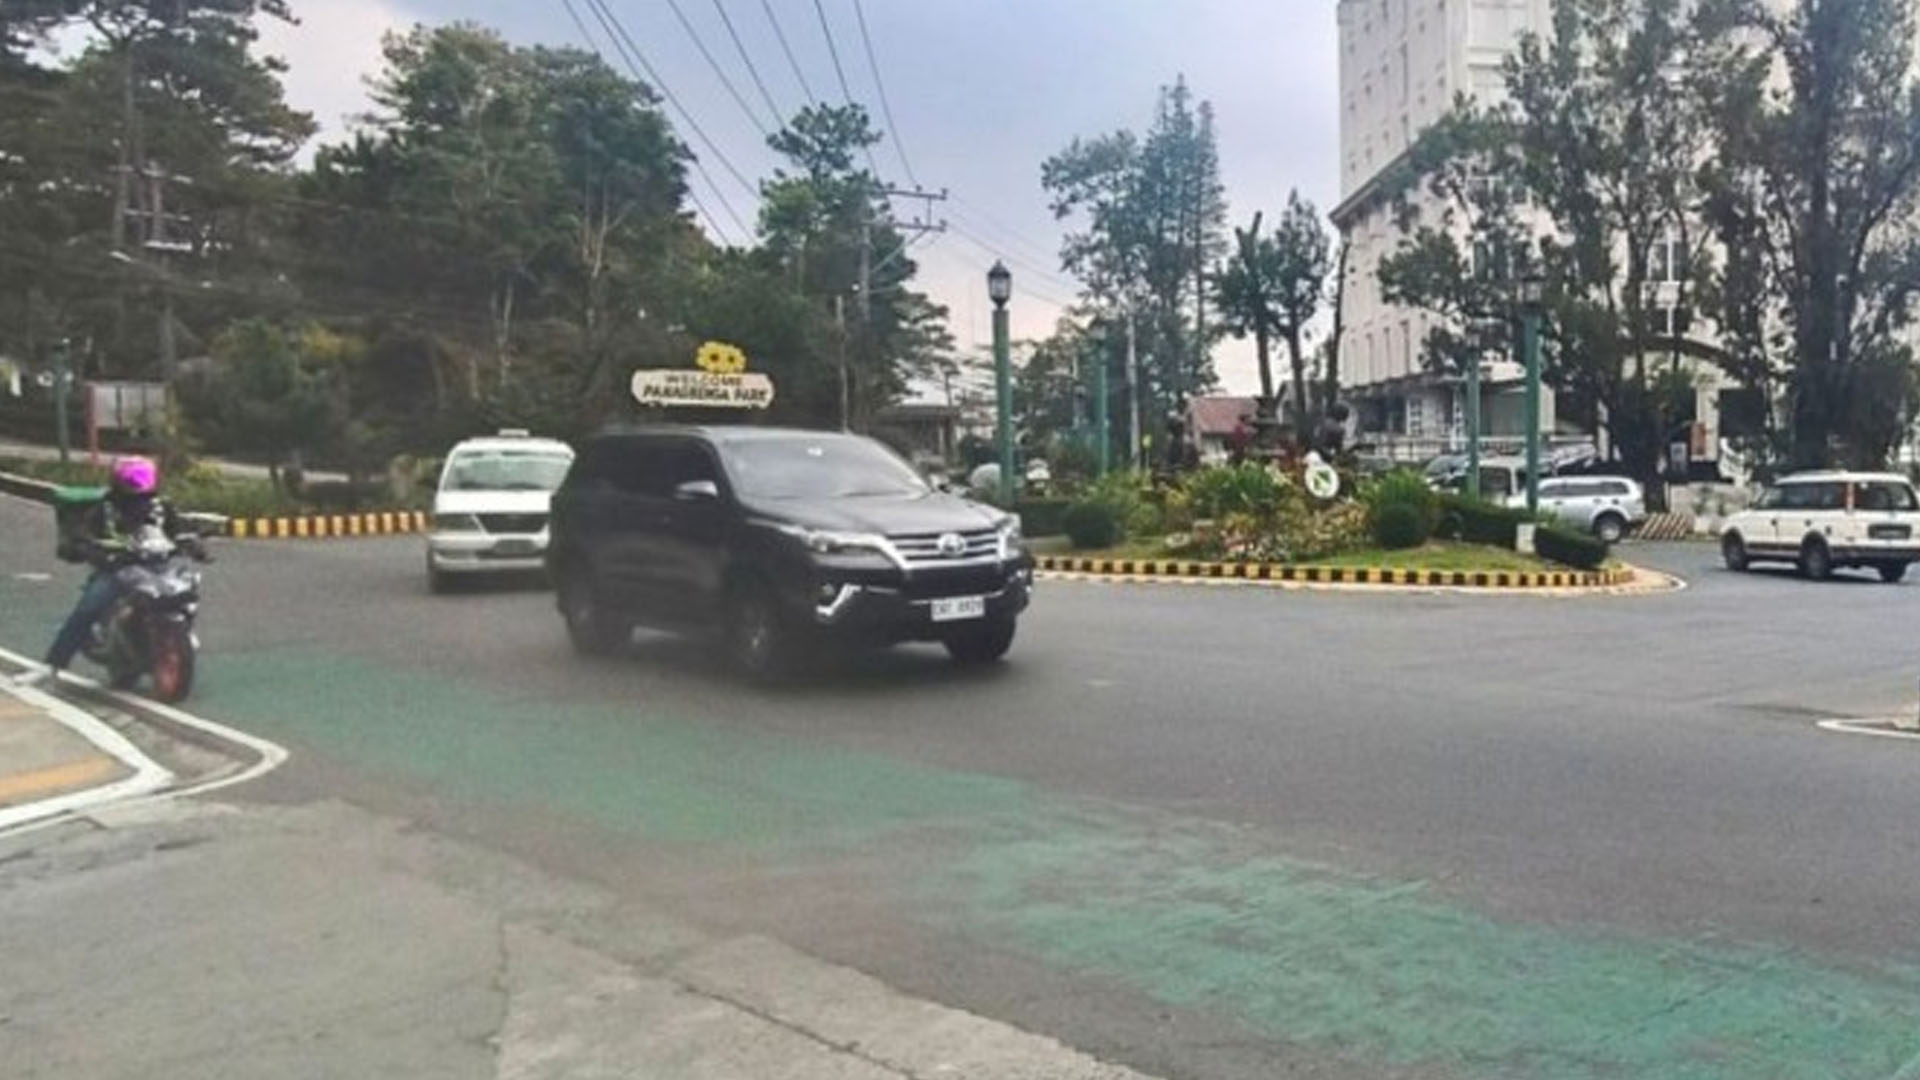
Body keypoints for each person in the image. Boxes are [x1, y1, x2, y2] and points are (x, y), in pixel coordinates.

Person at [16, 456, 193, 688]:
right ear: (118, 481)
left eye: (143, 478)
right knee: (88, 608)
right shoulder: (105, 508)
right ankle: (51, 666)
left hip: (158, 567)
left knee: (186, 591)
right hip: (118, 569)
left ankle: (178, 638)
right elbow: (84, 533)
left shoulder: (162, 507)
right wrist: (87, 546)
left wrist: (192, 543)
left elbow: (179, 531)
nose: (138, 484)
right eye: (132, 479)